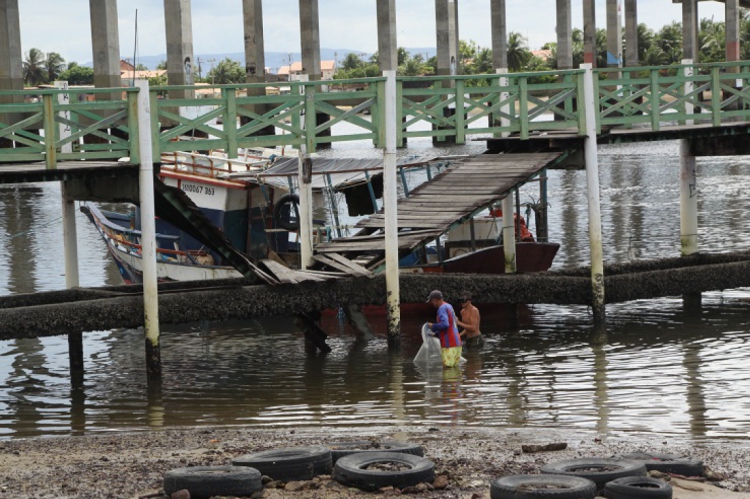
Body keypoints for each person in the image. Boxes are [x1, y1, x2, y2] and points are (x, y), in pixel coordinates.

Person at [426, 290, 462, 367]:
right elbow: (451, 325)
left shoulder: (441, 309)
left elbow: (445, 324)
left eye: (432, 301)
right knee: (455, 370)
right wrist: (436, 333)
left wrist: (432, 326)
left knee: (447, 371)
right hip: (457, 343)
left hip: (449, 345)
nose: (432, 303)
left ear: (435, 300)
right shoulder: (449, 306)